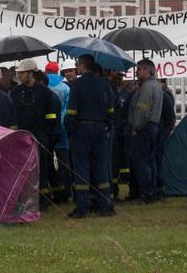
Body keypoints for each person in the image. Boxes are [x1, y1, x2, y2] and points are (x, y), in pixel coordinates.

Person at [65, 54, 115, 218]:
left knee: (82, 168)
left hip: (82, 129)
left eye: (78, 65)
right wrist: (106, 124)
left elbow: (71, 111)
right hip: (101, 129)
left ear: (82, 65)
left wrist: (71, 128)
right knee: (101, 167)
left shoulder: (77, 84)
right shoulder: (104, 83)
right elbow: (111, 110)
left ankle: (83, 207)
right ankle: (105, 206)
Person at [10, 59, 61, 205]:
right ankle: (23, 199)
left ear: (31, 73)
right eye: (18, 73)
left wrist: (46, 136)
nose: (19, 76)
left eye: (22, 73)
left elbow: (51, 117)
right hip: (21, 136)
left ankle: (43, 200)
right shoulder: (15, 93)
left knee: (42, 168)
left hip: (40, 135)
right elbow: (12, 116)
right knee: (23, 169)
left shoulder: (45, 92)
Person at [128, 59, 163, 203]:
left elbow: (142, 110)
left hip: (144, 127)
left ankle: (146, 194)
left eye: (139, 69)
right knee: (150, 161)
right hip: (153, 126)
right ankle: (152, 191)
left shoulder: (147, 87)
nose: (136, 72)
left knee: (142, 162)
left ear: (147, 70)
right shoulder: (155, 85)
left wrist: (136, 126)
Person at [45, 61, 73, 204]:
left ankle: (54, 190)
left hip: (48, 127)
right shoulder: (65, 87)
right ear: (58, 72)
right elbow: (68, 107)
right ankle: (67, 191)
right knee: (64, 160)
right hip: (62, 127)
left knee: (48, 159)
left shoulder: (44, 86)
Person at [156, 78, 177, 198]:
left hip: (160, 133)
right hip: (159, 132)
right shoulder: (163, 93)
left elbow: (170, 118)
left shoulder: (164, 95)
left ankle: (159, 188)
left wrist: (165, 133)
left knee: (157, 160)